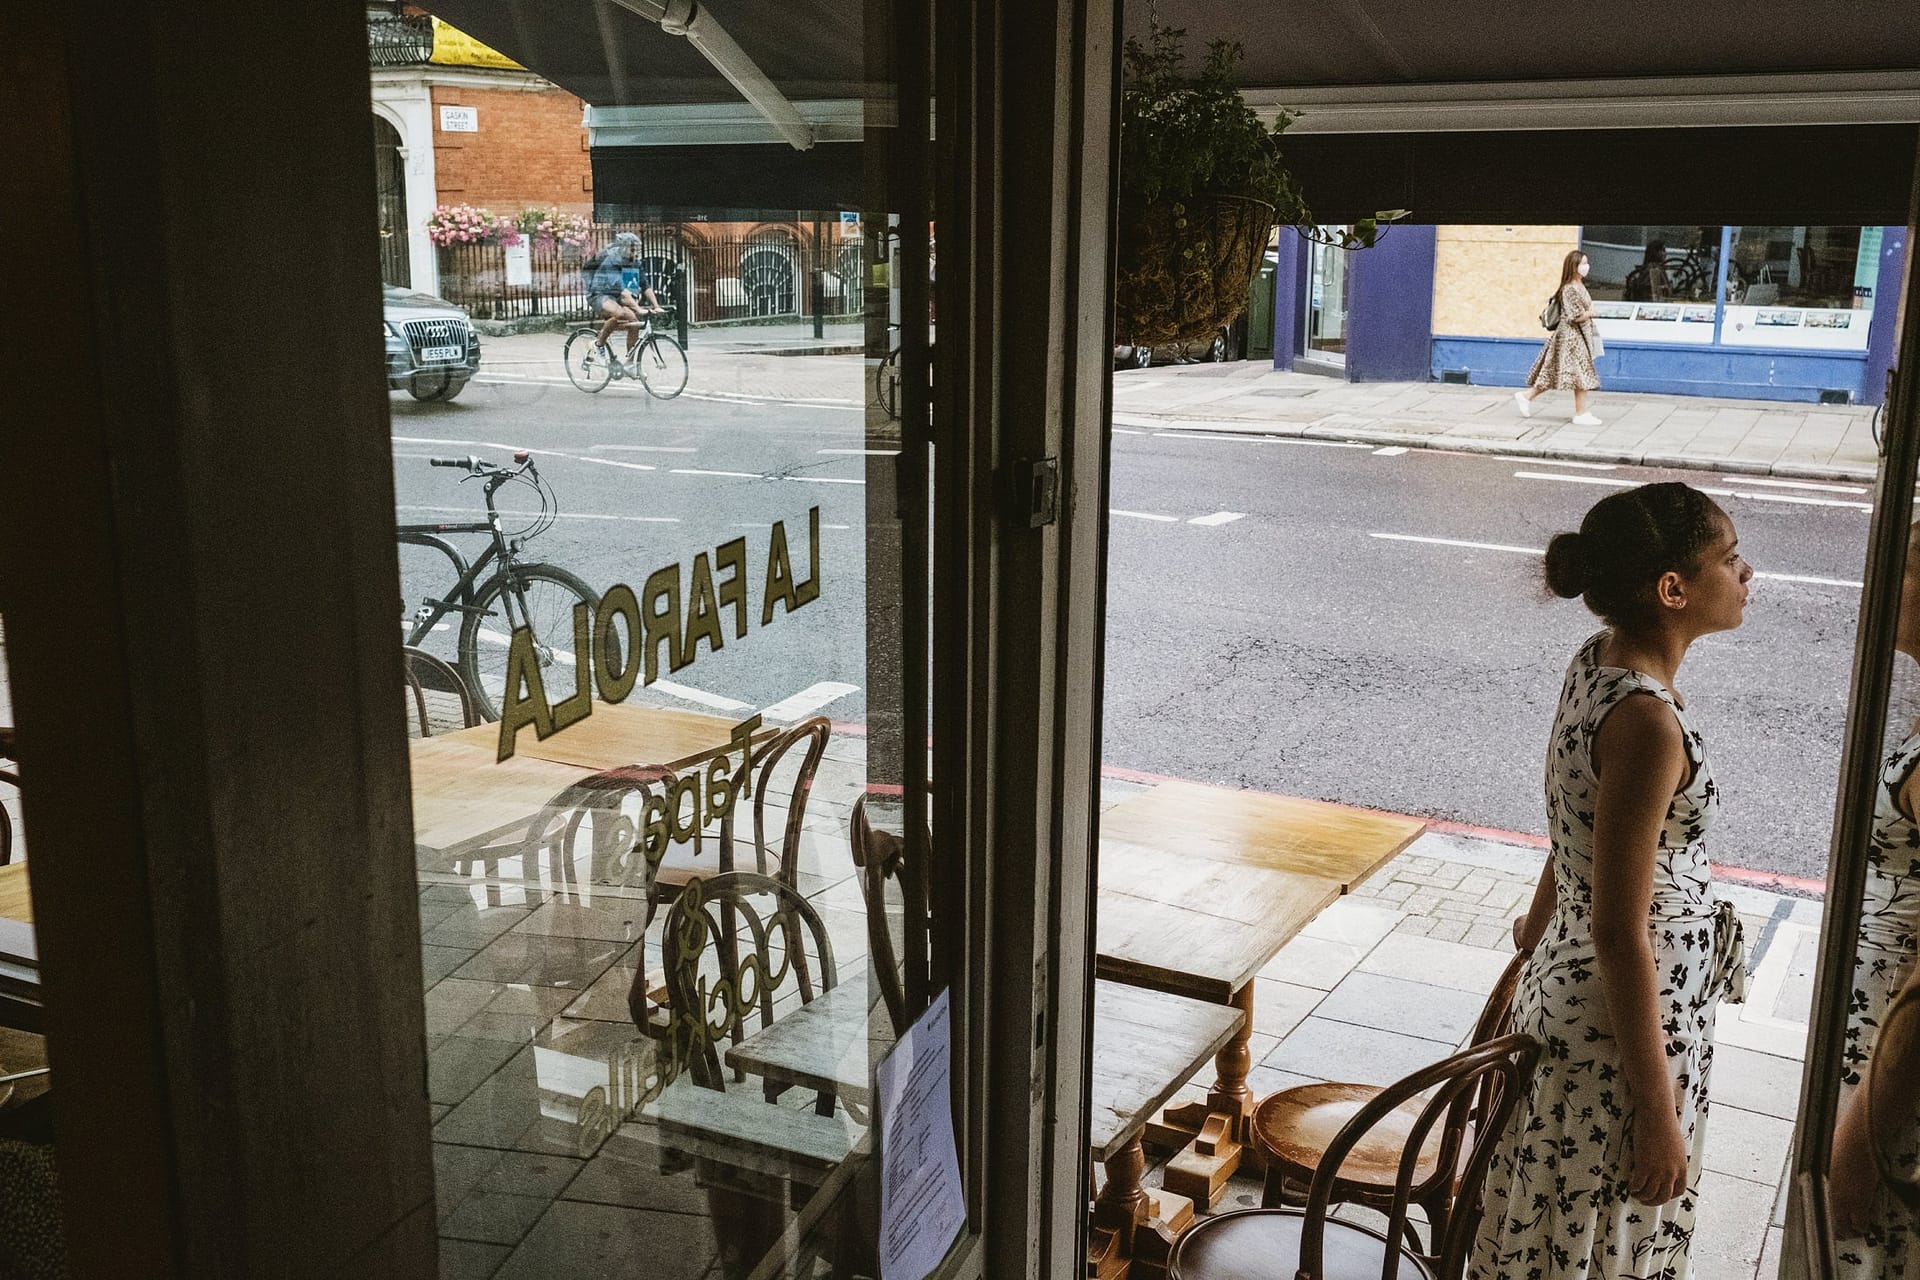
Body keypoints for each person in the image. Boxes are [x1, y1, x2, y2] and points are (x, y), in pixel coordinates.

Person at [1471, 481, 1753, 1280]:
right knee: (1597, 1242)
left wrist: (1533, 933)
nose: (1746, 573)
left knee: (1559, 1230)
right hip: (1618, 1043)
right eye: (1729, 559)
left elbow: (1578, 826)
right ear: (1674, 589)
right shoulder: (1649, 723)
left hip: (1597, 1014)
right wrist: (1659, 1120)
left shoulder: (1600, 662)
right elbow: (1620, 935)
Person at [1827, 520, 1920, 1279]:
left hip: (1893, 1080)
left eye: (1905, 570)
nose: (1884, 583)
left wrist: (1862, 1137)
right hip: (1867, 1052)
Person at [1515, 249, 1604, 427]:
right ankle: (1580, 413)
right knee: (1579, 373)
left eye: (1586, 263)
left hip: (1577, 335)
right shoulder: (1570, 288)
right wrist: (1590, 313)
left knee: (1562, 373)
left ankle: (1527, 396)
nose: (1587, 266)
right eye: (1583, 263)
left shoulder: (1579, 285)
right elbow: (1574, 315)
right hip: (1570, 337)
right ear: (1574, 266)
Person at [584, 232, 664, 376]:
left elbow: (645, 286)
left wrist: (656, 306)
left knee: (634, 323)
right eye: (632, 249)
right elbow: (623, 292)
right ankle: (598, 345)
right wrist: (639, 308)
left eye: (636, 249)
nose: (635, 252)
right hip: (599, 295)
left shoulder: (635, 262)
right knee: (620, 313)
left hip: (617, 297)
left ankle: (629, 364)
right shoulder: (611, 261)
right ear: (623, 248)